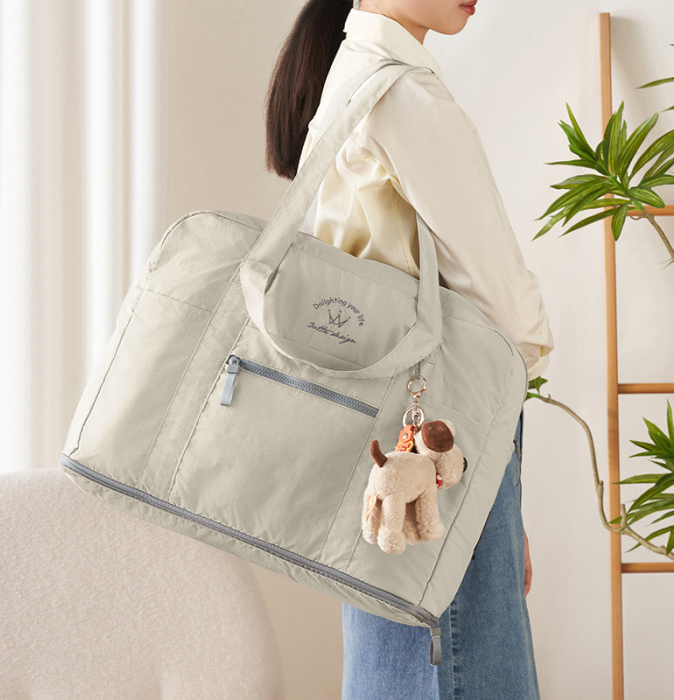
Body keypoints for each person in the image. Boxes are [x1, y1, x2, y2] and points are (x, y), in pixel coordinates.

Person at [265, 1, 554, 698]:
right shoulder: (402, 94)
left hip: (387, 445)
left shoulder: (350, 75)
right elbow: (509, 308)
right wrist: (494, 476)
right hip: (441, 438)